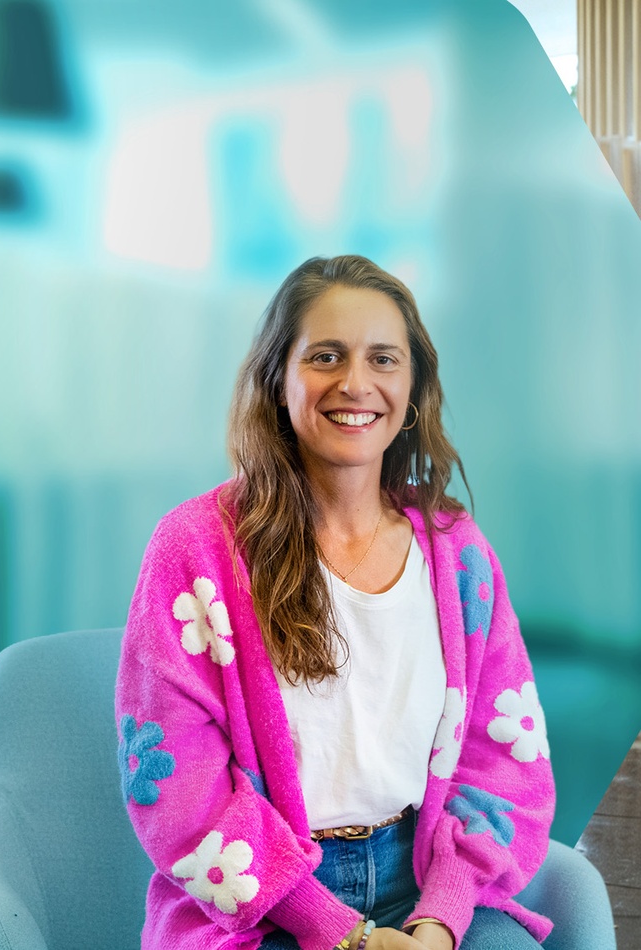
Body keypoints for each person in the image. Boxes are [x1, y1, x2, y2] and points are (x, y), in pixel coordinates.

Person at [115, 255, 615, 950]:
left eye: (383, 358)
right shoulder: (194, 549)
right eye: (325, 356)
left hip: (428, 882)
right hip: (265, 905)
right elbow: (177, 792)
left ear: (411, 389)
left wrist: (439, 920)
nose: (355, 383)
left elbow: (504, 763)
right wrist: (341, 933)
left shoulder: (458, 552)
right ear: (277, 379)